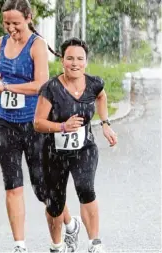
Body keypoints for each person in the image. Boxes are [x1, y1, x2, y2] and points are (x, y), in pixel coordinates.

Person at [0, 1, 81, 252]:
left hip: (34, 124)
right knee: (12, 185)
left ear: (28, 18)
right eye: (7, 23)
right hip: (4, 123)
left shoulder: (36, 45)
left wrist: (6, 87)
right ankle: (19, 245)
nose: (11, 28)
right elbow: (1, 76)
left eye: (16, 23)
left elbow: (40, 85)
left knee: (42, 188)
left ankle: (69, 223)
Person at [34, 37, 118, 253]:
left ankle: (94, 243)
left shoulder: (94, 83)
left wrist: (105, 123)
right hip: (54, 151)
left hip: (84, 148)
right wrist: (62, 127)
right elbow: (38, 123)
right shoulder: (50, 88)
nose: (75, 63)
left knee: (85, 188)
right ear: (62, 60)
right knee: (55, 203)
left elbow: (101, 96)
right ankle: (57, 245)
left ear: (86, 62)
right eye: (70, 58)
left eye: (80, 59)